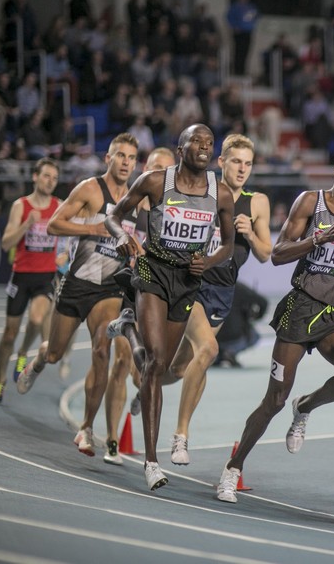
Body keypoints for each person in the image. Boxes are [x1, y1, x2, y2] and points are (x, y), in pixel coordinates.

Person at [215, 149, 334, 503]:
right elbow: (278, 254)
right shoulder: (310, 203)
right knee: (275, 399)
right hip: (301, 308)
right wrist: (319, 238)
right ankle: (232, 469)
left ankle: (305, 407)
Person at [105, 123, 235, 490]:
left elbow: (227, 246)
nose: (204, 147)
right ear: (181, 149)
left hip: (187, 282)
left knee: (160, 367)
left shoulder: (221, 193)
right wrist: (122, 236)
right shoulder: (155, 181)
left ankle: (127, 326)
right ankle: (151, 462)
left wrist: (207, 262)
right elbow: (113, 216)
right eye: (197, 141)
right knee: (156, 361)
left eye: (209, 142)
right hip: (153, 271)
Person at [16, 135, 140, 465]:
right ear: (108, 159)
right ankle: (39, 360)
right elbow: (54, 225)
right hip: (77, 283)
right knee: (55, 352)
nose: (126, 162)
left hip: (109, 290)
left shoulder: (135, 199)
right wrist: (93, 230)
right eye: (121, 156)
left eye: (132, 157)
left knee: (102, 350)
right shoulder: (90, 189)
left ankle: (86, 428)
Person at [163, 134, 272, 466]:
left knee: (179, 367)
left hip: (223, 292)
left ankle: (146, 385)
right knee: (209, 350)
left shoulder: (257, 202)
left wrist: (249, 232)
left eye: (248, 163)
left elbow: (266, 253)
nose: (242, 169)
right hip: (193, 283)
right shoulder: (205, 190)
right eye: (236, 161)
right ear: (221, 162)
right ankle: (181, 436)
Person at [101, 147, 175, 463]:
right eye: (156, 167)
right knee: (120, 362)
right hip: (123, 285)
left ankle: (141, 392)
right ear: (146, 168)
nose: (161, 174)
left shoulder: (171, 209)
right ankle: (111, 440)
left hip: (151, 290)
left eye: (167, 170)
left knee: (145, 367)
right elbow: (110, 223)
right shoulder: (131, 200)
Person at [0, 158, 60, 404]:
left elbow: (70, 233)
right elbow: (6, 243)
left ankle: (23, 352)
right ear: (35, 177)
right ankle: (0, 379)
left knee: (36, 319)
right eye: (46, 176)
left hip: (45, 277)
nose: (50, 182)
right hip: (21, 276)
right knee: (9, 334)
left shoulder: (58, 206)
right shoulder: (20, 206)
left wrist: (65, 253)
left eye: (54, 178)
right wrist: (27, 223)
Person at [226, 0, 258, 76]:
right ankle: (237, 70)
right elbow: (229, 17)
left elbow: (256, 16)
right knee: (238, 51)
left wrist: (252, 24)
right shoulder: (235, 6)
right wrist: (235, 26)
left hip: (248, 32)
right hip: (239, 32)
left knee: (246, 51)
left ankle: (243, 70)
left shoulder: (251, 6)